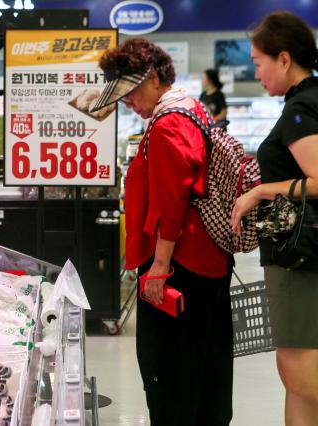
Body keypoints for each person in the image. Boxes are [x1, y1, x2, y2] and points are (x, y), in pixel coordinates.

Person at [92, 38, 233, 425]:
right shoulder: (190, 108)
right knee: (205, 376)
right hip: (207, 263)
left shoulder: (168, 124)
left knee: (170, 379)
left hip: (178, 268)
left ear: (153, 78)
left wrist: (159, 268)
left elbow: (172, 205)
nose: (128, 103)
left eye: (131, 92)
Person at [230, 12, 318, 424]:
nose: (256, 71)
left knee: (302, 373)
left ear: (284, 58)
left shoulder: (302, 109)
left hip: (302, 259)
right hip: (296, 258)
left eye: (259, 61)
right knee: (293, 372)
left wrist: (262, 190)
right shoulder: (303, 103)